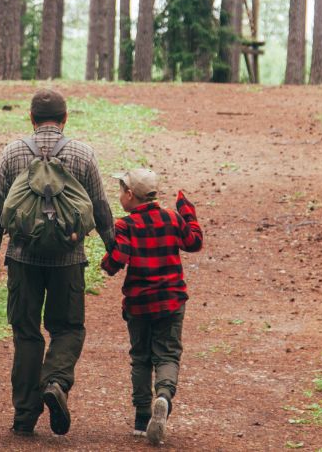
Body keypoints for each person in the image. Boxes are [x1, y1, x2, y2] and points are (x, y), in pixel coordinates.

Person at [0, 88, 116, 436]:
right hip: (68, 258)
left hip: (23, 257)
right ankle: (55, 382)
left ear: (32, 119)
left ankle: (25, 416)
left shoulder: (12, 153)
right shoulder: (83, 154)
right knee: (68, 328)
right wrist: (115, 248)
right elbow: (100, 207)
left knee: (26, 333)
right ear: (65, 119)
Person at [100, 168, 203, 446]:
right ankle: (164, 397)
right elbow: (194, 242)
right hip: (171, 300)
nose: (120, 195)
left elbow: (118, 258)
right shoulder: (172, 217)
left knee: (141, 357)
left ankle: (141, 417)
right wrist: (186, 210)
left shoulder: (126, 225)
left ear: (130, 195)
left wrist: (106, 263)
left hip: (139, 303)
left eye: (121, 190)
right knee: (168, 354)